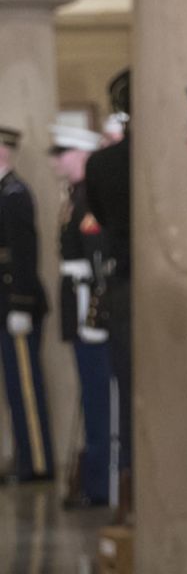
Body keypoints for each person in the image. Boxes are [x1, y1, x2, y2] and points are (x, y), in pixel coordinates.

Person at [48, 124, 113, 508]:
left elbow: (97, 262)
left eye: (64, 152)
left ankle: (102, 483)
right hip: (77, 303)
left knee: (98, 399)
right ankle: (94, 480)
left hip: (89, 307)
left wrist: (94, 317)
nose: (58, 160)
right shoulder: (74, 196)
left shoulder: (90, 197)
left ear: (83, 155)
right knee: (90, 398)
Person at [83, 68, 133, 519]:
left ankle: (130, 495)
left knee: (128, 395)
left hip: (124, 288)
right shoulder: (170, 155)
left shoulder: (101, 164)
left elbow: (100, 214)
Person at [0, 124, 55, 484]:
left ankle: (36, 461)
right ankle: (24, 455)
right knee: (13, 386)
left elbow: (24, 252)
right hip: (3, 302)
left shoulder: (15, 193)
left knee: (25, 385)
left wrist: (20, 304)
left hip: (14, 301)